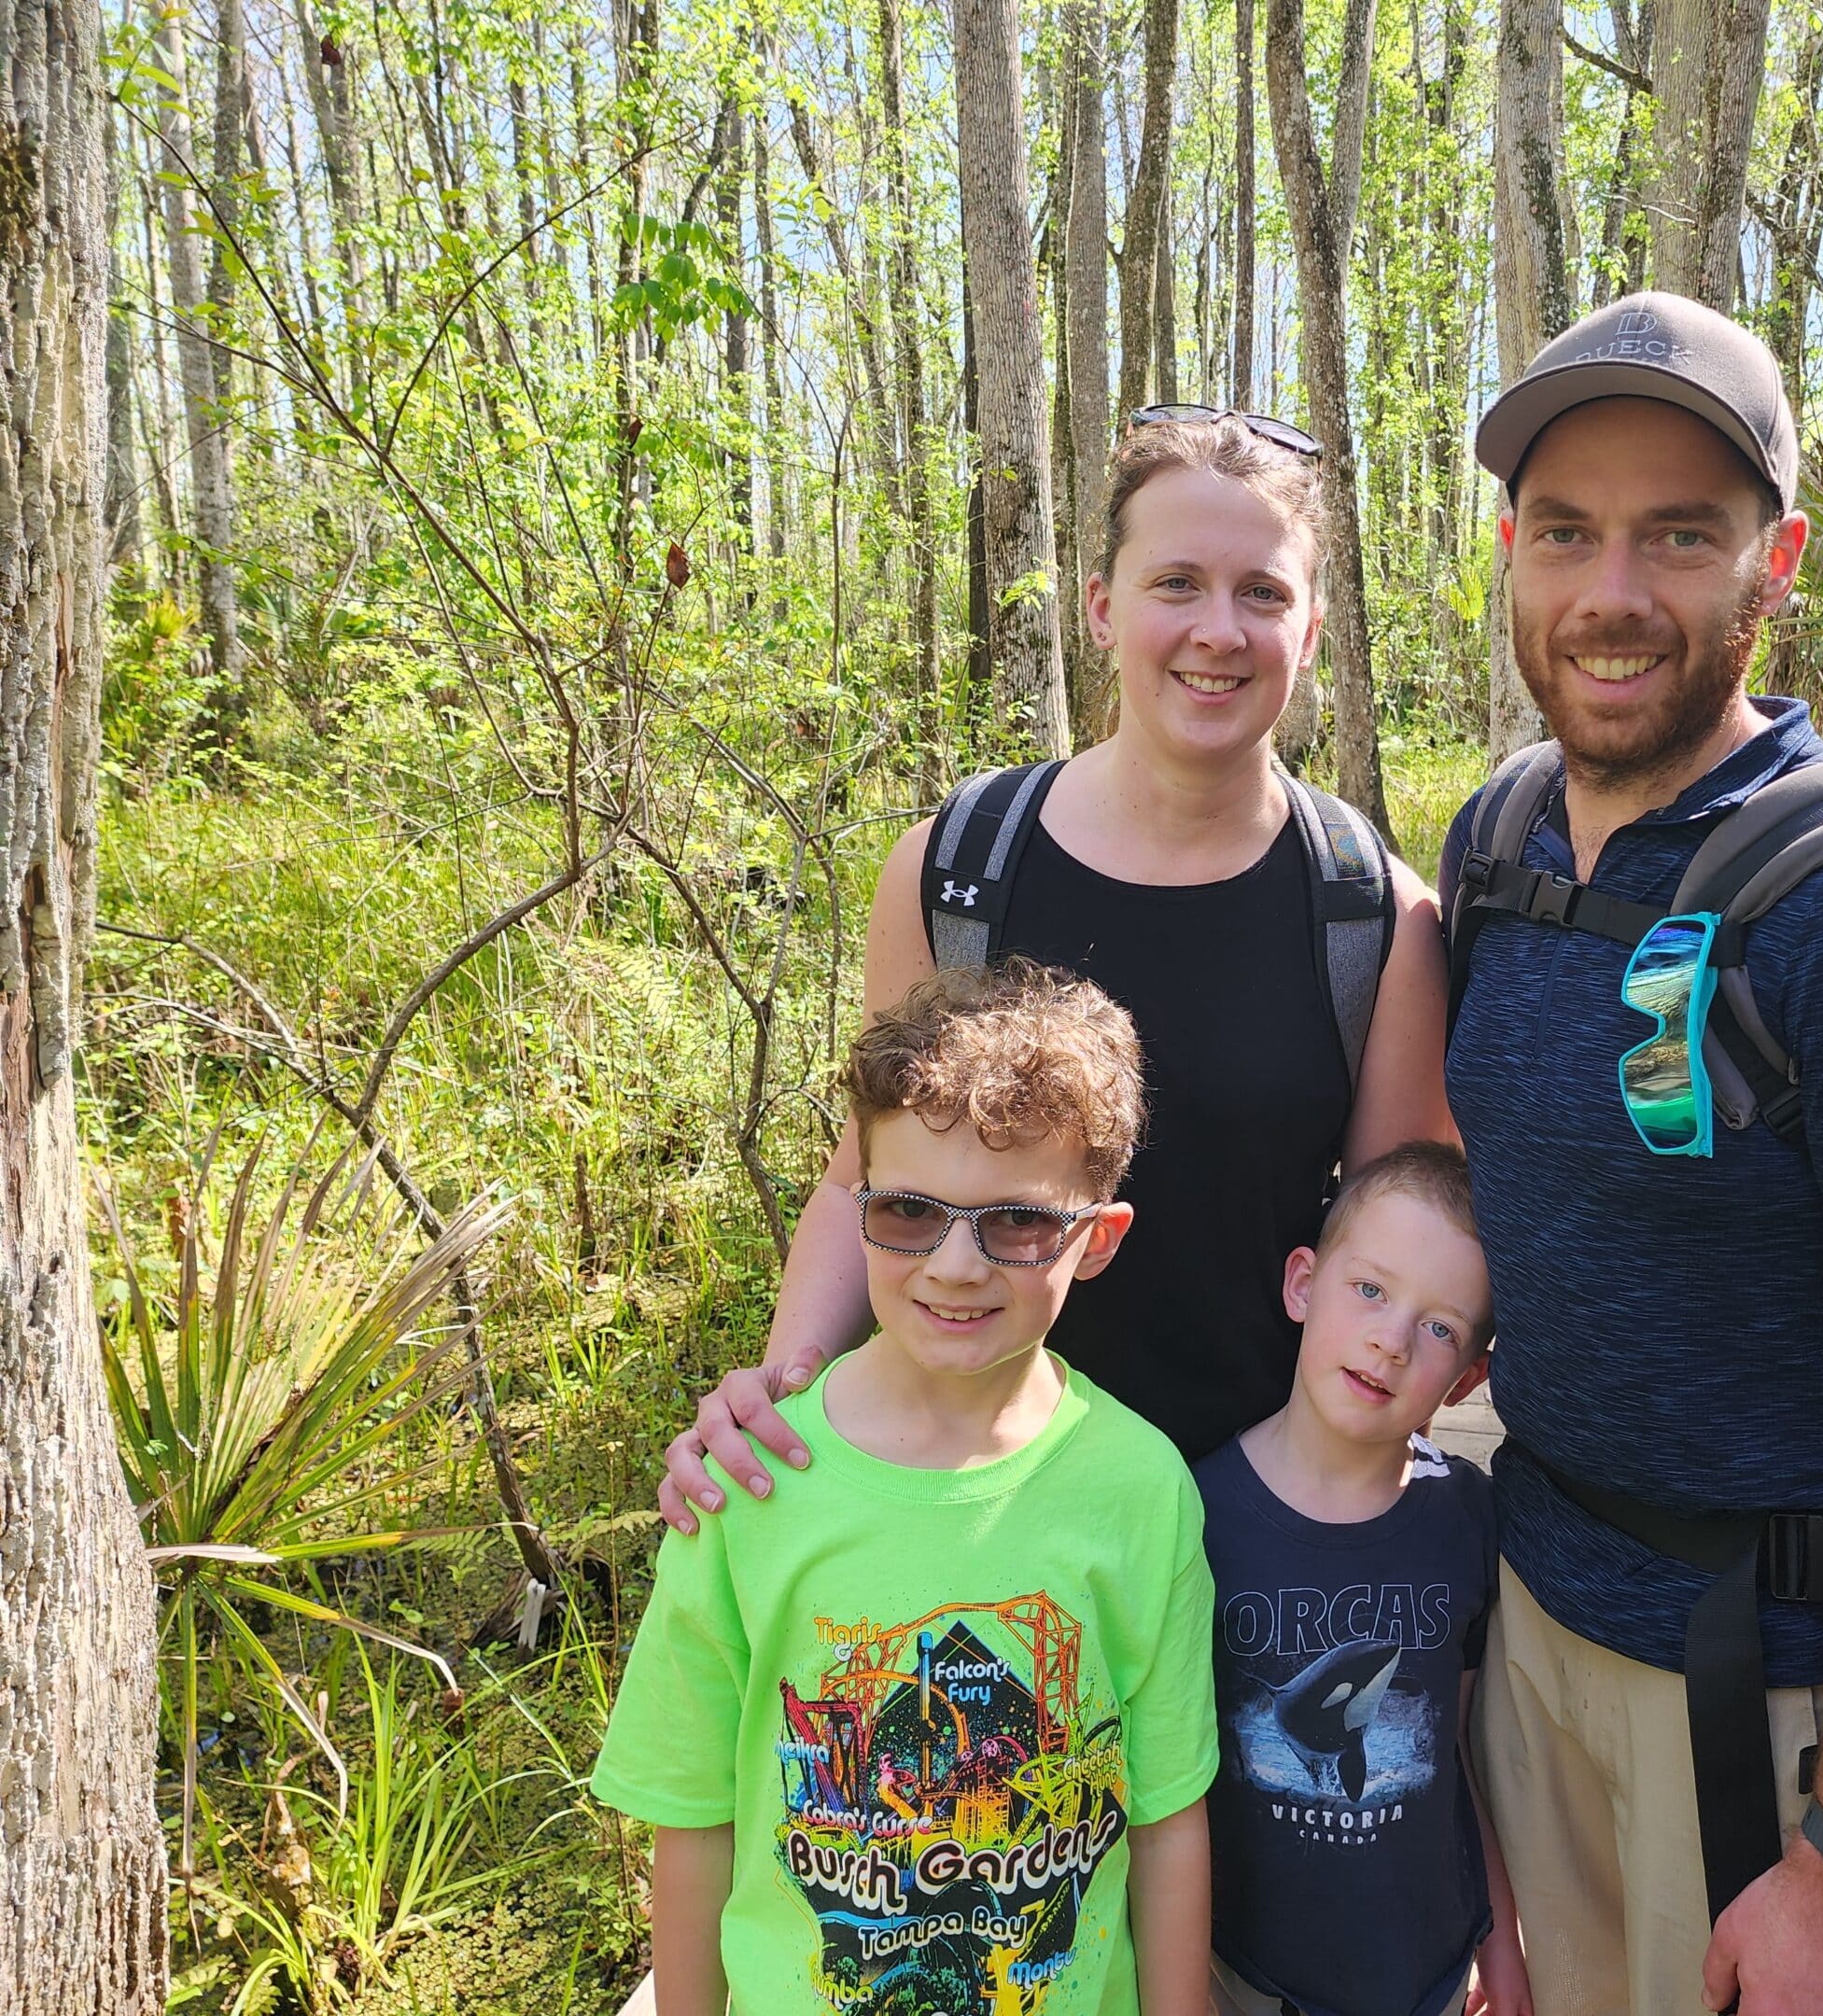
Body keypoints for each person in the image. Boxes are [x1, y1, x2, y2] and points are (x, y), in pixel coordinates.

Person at [1443, 292, 1823, 2016]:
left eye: (1678, 536)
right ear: (1513, 551)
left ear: (1773, 560)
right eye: (1566, 532)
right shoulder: (1498, 840)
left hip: (1772, 1715)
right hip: (1536, 1636)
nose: (1611, 594)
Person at [659, 409, 1453, 1531]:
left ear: (1312, 628)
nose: (1217, 630)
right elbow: (862, 1179)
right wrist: (782, 1399)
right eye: (1174, 582)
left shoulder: (1372, 910)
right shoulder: (958, 868)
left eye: (1263, 593)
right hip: (969, 1505)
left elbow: (1400, 1254)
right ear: (1100, 608)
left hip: (1254, 1521)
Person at [592, 960, 1217, 2014]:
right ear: (858, 1204)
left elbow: (1165, 1814)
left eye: (1017, 1222)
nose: (958, 1266)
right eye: (912, 1212)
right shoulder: (750, 1485)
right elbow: (692, 1819)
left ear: (1097, 1239)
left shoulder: (1143, 1488)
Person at [1195, 1142, 1534, 2016]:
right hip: (1244, 1980)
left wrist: (1499, 1943)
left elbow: (1453, 1753)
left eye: (1439, 1328)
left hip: (1424, 1977)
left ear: (1466, 1380)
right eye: (1371, 1290)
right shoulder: (1196, 1514)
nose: (1390, 1339)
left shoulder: (1465, 1517)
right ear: (1303, 1285)